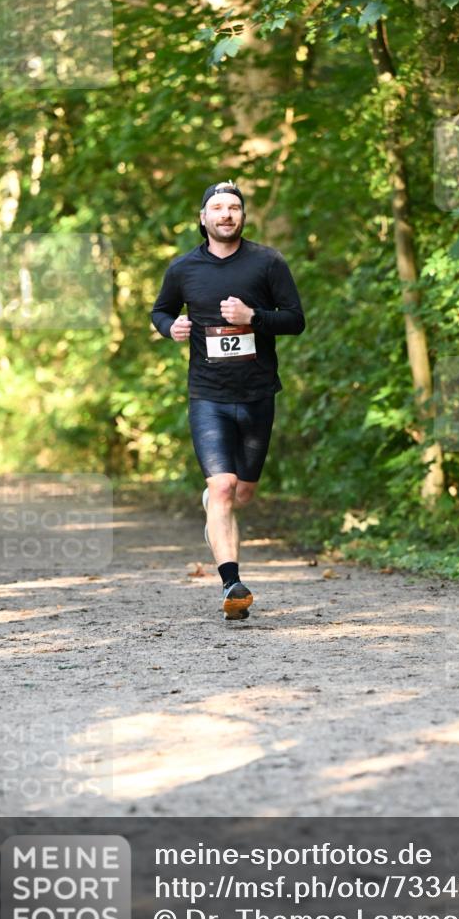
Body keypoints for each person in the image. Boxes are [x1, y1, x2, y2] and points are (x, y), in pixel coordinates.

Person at [150, 180, 305, 620]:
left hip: (257, 393)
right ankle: (232, 584)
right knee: (221, 486)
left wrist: (253, 318)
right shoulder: (183, 269)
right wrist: (170, 328)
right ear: (203, 218)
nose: (225, 214)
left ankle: (218, 508)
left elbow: (295, 320)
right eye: (217, 207)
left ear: (242, 216)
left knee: (243, 493)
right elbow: (160, 310)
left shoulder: (268, 262)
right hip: (208, 395)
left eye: (233, 207)